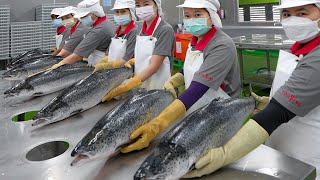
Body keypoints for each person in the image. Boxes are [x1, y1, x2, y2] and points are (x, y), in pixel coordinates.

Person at [183, 0, 320, 178]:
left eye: (302, 13)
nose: (293, 20)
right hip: (282, 150)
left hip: (308, 156)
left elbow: (276, 113)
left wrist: (224, 154)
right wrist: (271, 101)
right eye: (286, 14)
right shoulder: (300, 49)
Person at [120, 0, 241, 154]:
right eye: (187, 16)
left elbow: (198, 88)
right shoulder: (195, 40)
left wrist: (158, 123)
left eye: (197, 14)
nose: (191, 20)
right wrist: (176, 79)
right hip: (198, 108)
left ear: (211, 16)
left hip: (221, 114)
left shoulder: (222, 45)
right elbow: (191, 68)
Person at [101, 0, 175, 101]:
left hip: (157, 89)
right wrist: (133, 62)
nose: (142, 8)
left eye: (146, 4)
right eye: (138, 5)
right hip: (141, 87)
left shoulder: (165, 30)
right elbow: (144, 57)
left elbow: (154, 67)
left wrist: (127, 85)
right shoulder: (141, 29)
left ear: (157, 6)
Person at [52, 0, 116, 67]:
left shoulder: (99, 29)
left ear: (95, 14)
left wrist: (57, 65)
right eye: (81, 17)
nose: (82, 19)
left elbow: (77, 56)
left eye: (85, 16)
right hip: (96, 63)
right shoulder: (104, 23)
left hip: (100, 65)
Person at [94, 0, 139, 72]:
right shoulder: (117, 32)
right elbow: (109, 52)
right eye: (117, 12)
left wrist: (106, 66)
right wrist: (104, 60)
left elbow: (128, 57)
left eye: (123, 11)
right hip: (112, 71)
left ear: (131, 13)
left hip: (124, 72)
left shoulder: (133, 31)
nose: (119, 15)